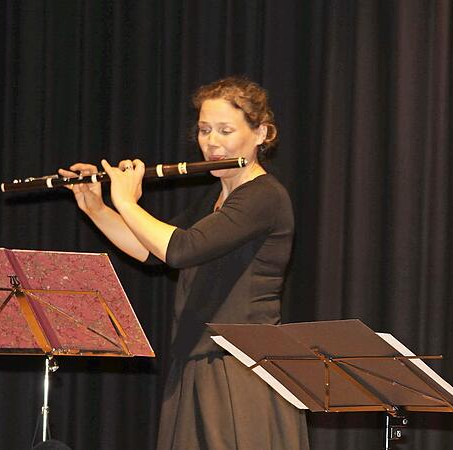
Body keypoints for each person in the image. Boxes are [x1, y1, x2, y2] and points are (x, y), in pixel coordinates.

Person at [59, 76, 309, 450]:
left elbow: (180, 249)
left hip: (241, 368)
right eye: (205, 129)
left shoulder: (264, 197)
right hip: (199, 360)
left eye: (226, 130)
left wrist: (127, 202)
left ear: (262, 133)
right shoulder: (213, 197)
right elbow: (150, 249)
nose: (212, 141)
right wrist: (96, 207)